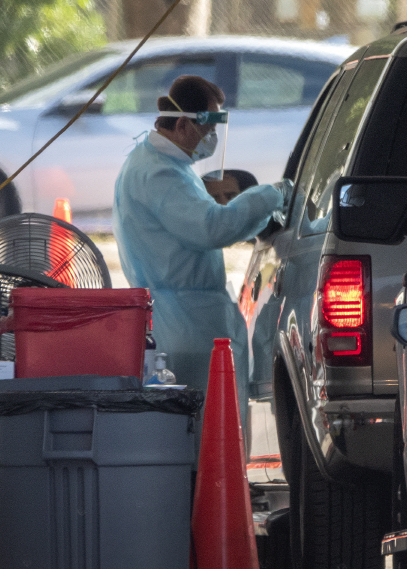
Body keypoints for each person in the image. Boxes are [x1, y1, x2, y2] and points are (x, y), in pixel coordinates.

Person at [113, 76, 291, 426]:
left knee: (203, 428)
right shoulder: (160, 174)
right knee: (206, 429)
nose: (212, 139)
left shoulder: (160, 164)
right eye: (208, 127)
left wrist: (256, 218)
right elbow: (212, 228)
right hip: (185, 325)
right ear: (182, 124)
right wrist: (270, 195)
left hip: (183, 317)